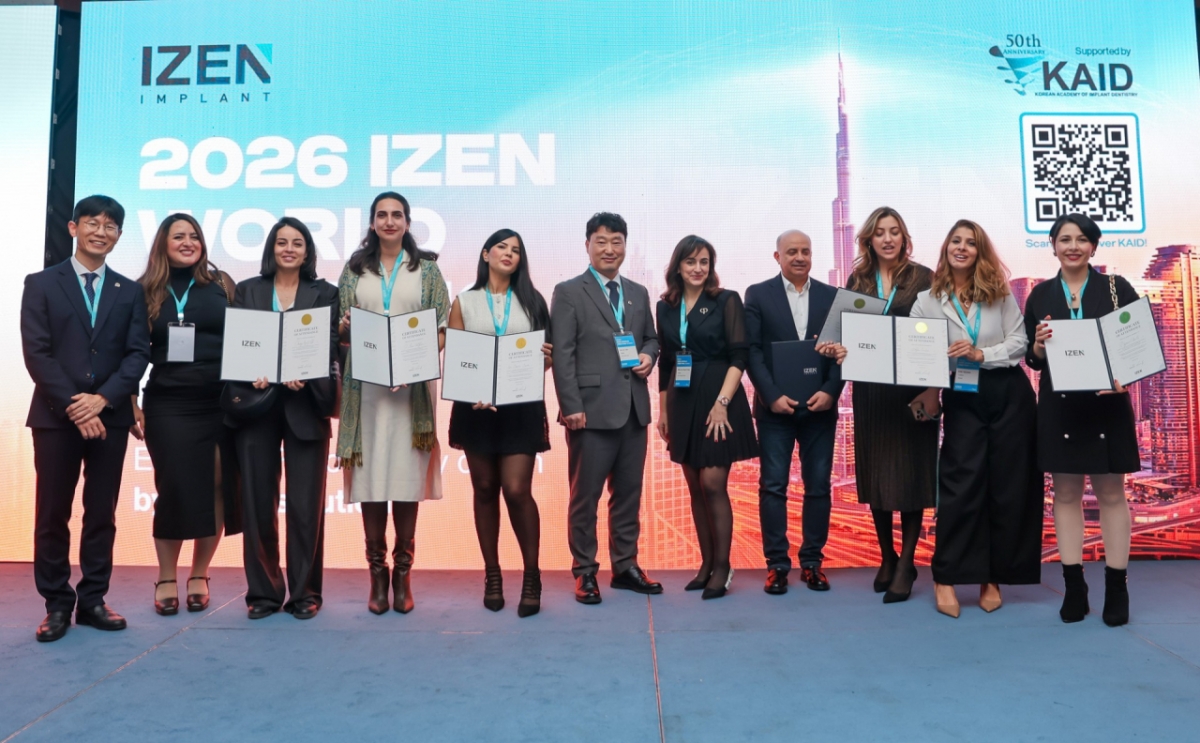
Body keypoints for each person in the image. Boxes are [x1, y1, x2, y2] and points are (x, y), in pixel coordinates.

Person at [21, 195, 150, 642]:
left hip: (109, 417)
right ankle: (56, 604)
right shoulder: (41, 283)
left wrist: (104, 400)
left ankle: (93, 599)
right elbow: (37, 352)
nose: (101, 231)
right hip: (55, 418)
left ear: (118, 236)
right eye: (93, 222)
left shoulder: (129, 291)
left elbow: (138, 354)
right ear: (74, 228)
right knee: (52, 513)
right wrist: (76, 405)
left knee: (101, 513)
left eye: (110, 226)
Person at [910, 220, 1041, 618]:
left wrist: (982, 354)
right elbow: (917, 352)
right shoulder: (926, 301)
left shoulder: (999, 294)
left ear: (980, 252)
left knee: (1007, 486)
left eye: (970, 243)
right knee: (960, 485)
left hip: (1008, 393)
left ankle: (992, 576)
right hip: (963, 395)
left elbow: (1019, 342)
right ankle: (946, 577)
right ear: (946, 248)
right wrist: (943, 366)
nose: (962, 247)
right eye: (956, 241)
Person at [337, 192, 449, 615]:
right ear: (372, 223)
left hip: (410, 391)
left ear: (407, 222)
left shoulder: (427, 269)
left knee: (404, 479)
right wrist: (345, 326)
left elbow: (442, 327)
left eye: (396, 215)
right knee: (369, 480)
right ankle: (377, 575)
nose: (389, 221)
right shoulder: (354, 270)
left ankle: (403, 574)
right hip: (366, 391)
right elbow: (342, 328)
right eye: (381, 215)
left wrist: (414, 365)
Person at [819, 207, 938, 602]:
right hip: (871, 389)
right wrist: (835, 347)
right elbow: (842, 334)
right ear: (868, 239)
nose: (888, 239)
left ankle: (907, 563)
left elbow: (936, 334)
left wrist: (933, 388)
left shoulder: (924, 278)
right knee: (876, 474)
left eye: (895, 232)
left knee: (912, 474)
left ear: (904, 238)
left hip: (912, 388)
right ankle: (887, 556)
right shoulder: (859, 279)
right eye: (880, 233)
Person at [1025, 213, 1139, 627]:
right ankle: (1074, 587)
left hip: (1107, 406)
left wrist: (1126, 377)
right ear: (1053, 245)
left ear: (1093, 246)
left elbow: (1137, 345)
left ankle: (1117, 588)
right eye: (1064, 239)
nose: (1072, 246)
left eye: (1081, 239)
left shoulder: (1116, 288)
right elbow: (1034, 361)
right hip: (1060, 407)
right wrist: (1038, 346)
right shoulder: (1039, 295)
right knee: (1066, 495)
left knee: (1112, 495)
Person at [230, 217, 339, 620]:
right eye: (281, 242)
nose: (289, 249)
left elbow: (330, 346)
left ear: (308, 251)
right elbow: (238, 344)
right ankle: (263, 593)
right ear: (271, 249)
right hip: (256, 407)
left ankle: (305, 593)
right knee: (257, 502)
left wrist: (307, 373)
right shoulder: (248, 290)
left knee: (306, 507)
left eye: (297, 243)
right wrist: (251, 373)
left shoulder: (325, 292)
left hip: (305, 405)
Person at [551, 212, 661, 604]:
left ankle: (625, 566)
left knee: (628, 495)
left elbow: (651, 339)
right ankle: (584, 571)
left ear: (625, 246)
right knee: (585, 498)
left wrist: (648, 355)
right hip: (590, 412)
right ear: (587, 245)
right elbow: (562, 353)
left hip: (633, 409)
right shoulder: (568, 292)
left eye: (616, 241)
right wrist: (570, 405)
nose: (609, 249)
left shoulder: (638, 292)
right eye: (601, 241)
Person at [132, 214, 239, 617]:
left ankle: (199, 574)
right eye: (179, 236)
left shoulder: (222, 284)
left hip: (222, 401)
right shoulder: (142, 290)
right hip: (169, 403)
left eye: (194, 235)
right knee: (174, 487)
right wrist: (130, 400)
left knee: (217, 485)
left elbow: (245, 337)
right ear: (163, 243)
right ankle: (165, 576)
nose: (188, 242)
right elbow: (128, 350)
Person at [448, 229, 552, 617]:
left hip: (520, 407)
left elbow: (544, 359)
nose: (509, 254)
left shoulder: (533, 301)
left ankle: (531, 576)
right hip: (475, 407)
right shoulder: (464, 301)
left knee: (517, 489)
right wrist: (471, 388)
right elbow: (457, 357)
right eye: (502, 247)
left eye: (516, 250)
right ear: (485, 254)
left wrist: (546, 359)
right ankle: (492, 574)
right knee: (485, 488)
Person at [656, 236, 758, 599]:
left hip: (719, 395)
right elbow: (666, 362)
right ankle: (706, 563)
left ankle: (724, 565)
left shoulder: (726, 300)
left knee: (713, 483)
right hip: (682, 399)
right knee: (695, 486)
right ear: (678, 267)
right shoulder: (665, 306)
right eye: (690, 262)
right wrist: (663, 410)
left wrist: (722, 402)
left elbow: (739, 356)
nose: (698, 268)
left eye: (704, 262)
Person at [744, 230, 842, 595]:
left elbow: (843, 350)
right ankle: (777, 565)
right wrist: (770, 396)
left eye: (805, 251)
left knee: (819, 486)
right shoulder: (757, 294)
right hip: (775, 411)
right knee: (773, 486)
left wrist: (831, 391)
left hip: (820, 409)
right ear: (778, 257)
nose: (800, 257)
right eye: (792, 252)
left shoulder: (831, 296)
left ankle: (812, 563)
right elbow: (752, 350)